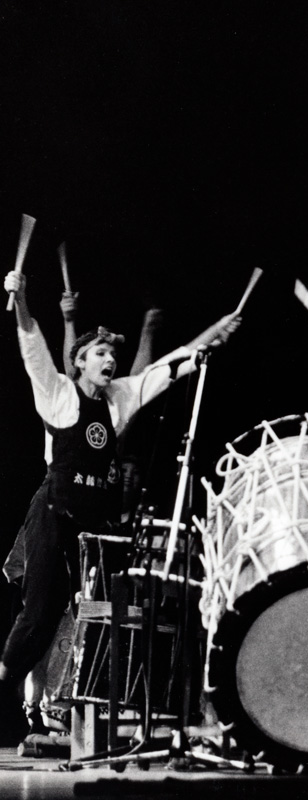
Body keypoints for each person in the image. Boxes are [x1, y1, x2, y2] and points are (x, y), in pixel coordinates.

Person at [0, 268, 239, 738]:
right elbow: (33, 349)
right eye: (101, 353)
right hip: (53, 514)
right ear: (81, 362)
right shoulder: (59, 395)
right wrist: (22, 299)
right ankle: (6, 681)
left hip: (95, 526)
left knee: (92, 612)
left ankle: (82, 708)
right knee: (39, 612)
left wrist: (215, 335)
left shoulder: (119, 398)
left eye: (113, 354)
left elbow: (167, 367)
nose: (111, 360)